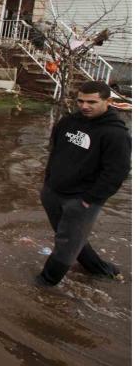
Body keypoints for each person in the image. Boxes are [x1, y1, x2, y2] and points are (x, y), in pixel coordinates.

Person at [37, 80, 131, 287]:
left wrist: (90, 200)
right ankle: (100, 269)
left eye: (92, 102)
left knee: (66, 244)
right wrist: (48, 183)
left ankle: (44, 284)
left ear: (108, 101)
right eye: (80, 101)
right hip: (53, 192)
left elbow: (117, 172)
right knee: (68, 236)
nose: (84, 106)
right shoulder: (68, 122)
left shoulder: (115, 134)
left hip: (81, 199)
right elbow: (55, 151)